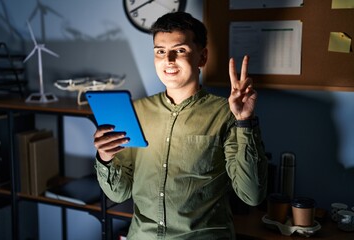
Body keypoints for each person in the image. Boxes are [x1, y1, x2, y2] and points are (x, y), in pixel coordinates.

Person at [93, 12, 268, 240]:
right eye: (160, 51)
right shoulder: (135, 111)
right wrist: (104, 157)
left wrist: (244, 121)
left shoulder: (227, 113)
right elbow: (118, 193)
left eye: (180, 50)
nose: (169, 60)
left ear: (202, 57)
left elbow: (252, 196)